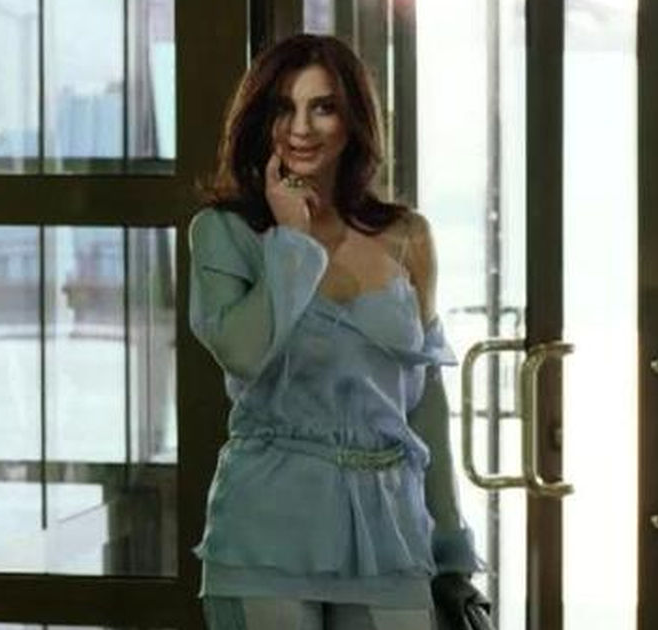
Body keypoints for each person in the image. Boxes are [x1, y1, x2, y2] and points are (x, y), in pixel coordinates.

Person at [187, 34, 483, 629]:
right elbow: (243, 353)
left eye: (322, 107)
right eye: (283, 108)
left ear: (354, 121)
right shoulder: (223, 232)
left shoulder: (408, 236)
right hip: (266, 528)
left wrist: (451, 553)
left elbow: (425, 405)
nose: (301, 128)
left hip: (391, 531)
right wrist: (291, 241)